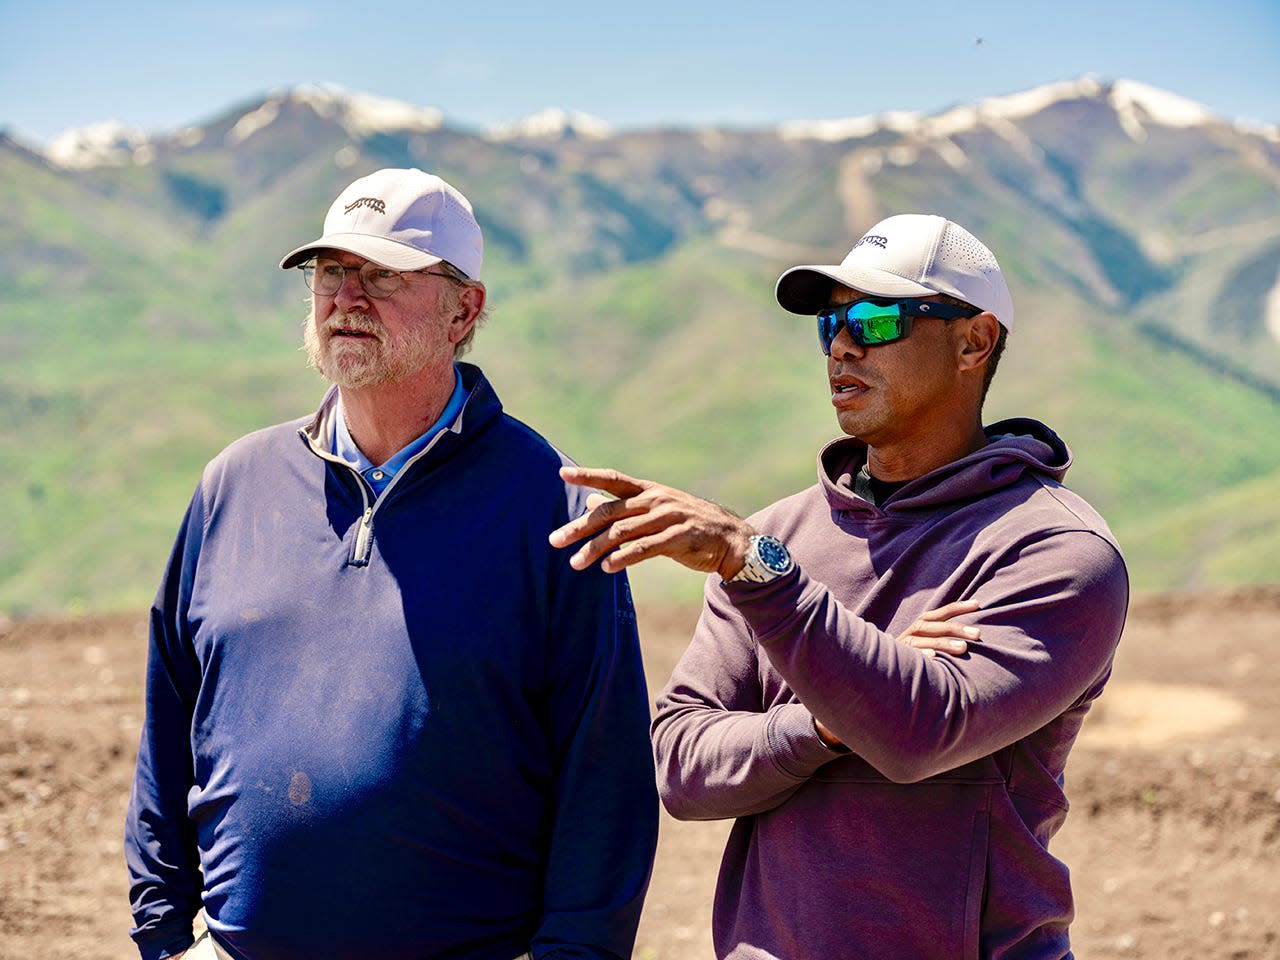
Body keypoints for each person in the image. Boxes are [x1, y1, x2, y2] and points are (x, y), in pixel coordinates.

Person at [550, 214, 1129, 959]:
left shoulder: (1054, 550)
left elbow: (918, 732)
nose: (845, 345)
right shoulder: (779, 536)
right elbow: (684, 765)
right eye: (831, 325)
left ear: (973, 341)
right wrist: (823, 723)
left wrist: (760, 574)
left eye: (877, 318)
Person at [125, 167, 658, 960]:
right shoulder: (235, 483)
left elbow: (605, 781)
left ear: (463, 309)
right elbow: (168, 726)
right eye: (331, 273)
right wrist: (166, 935)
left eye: (382, 275)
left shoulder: (550, 506)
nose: (347, 298)